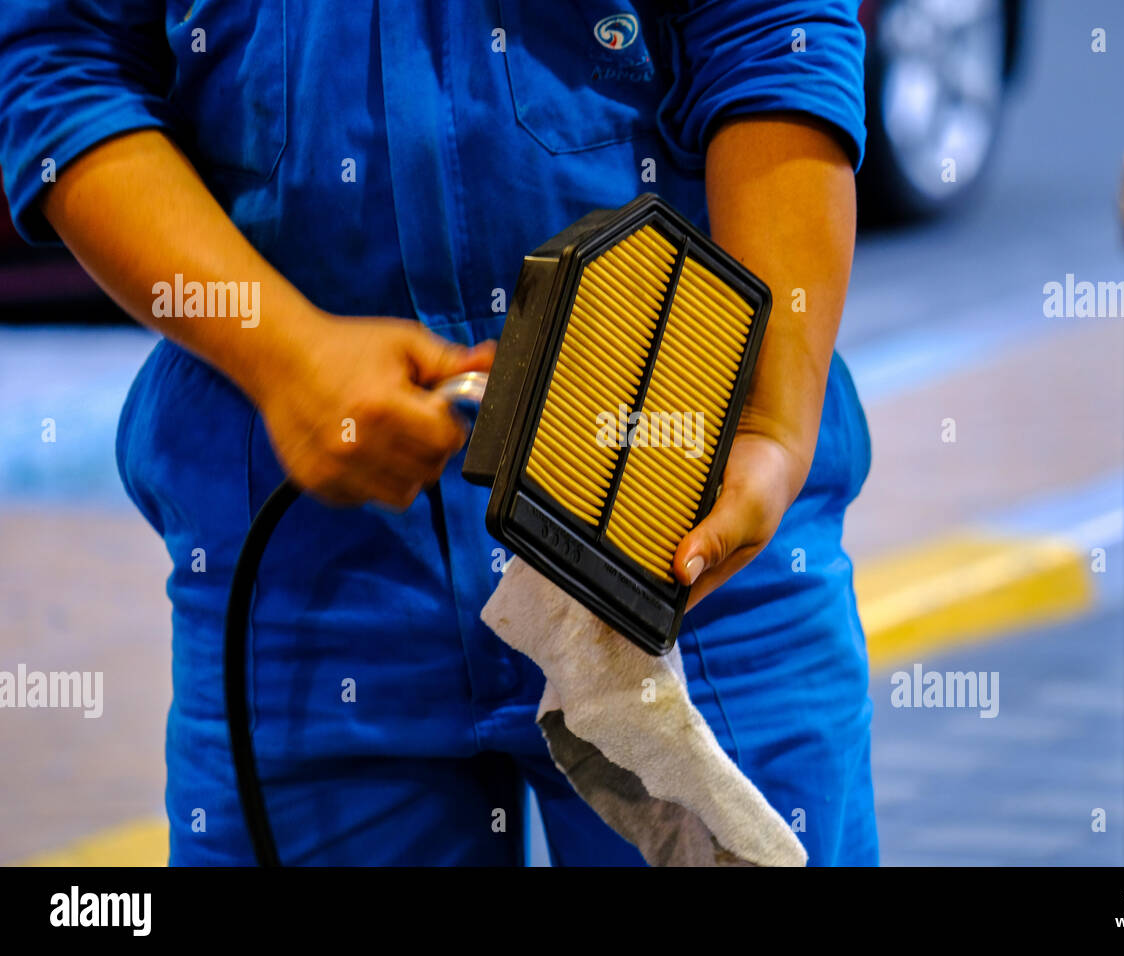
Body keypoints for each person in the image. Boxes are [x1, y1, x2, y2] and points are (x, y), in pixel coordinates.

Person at [0, 0, 877, 865]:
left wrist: (772, 414)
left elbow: (774, 26)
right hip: (309, 574)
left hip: (684, 541)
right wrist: (283, 356)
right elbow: (67, 61)